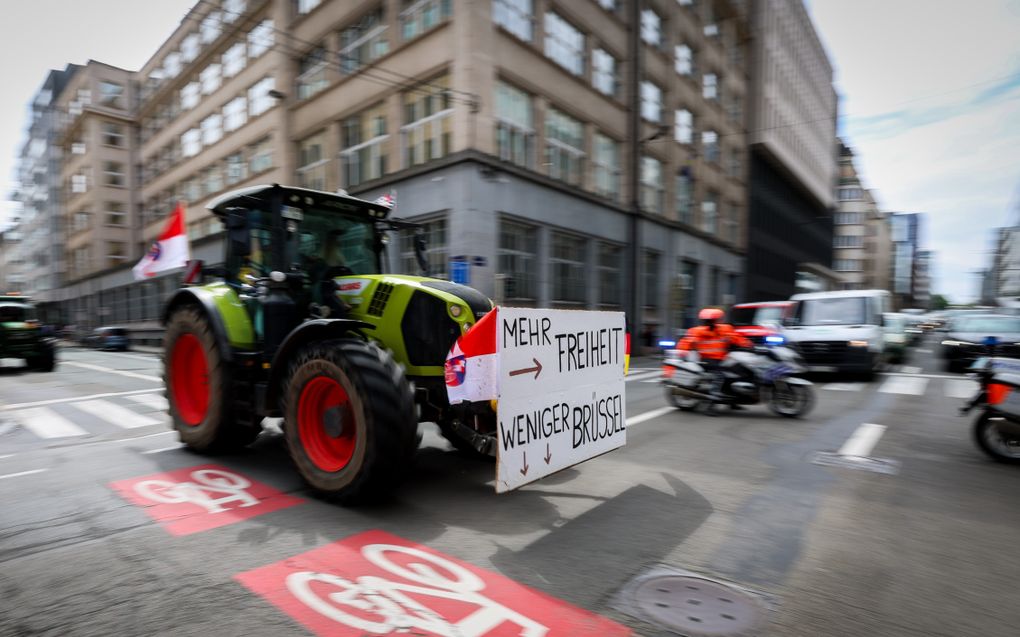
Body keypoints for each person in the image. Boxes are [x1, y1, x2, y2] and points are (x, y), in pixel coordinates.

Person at [678, 308, 753, 413]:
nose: (709, 323)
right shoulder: (696, 331)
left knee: (738, 372)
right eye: (707, 321)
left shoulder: (725, 329)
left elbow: (737, 338)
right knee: (720, 375)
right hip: (707, 360)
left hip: (722, 358)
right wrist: (682, 351)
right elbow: (686, 341)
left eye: (712, 320)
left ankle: (733, 401)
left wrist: (749, 345)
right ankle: (711, 404)